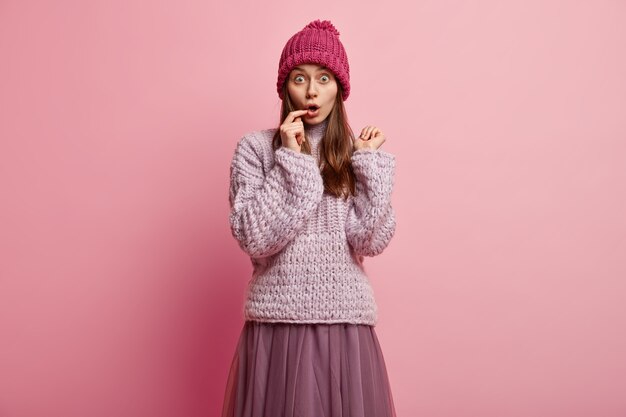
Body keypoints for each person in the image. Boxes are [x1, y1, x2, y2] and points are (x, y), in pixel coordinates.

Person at [221, 19, 397, 417]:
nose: (312, 90)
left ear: (340, 88)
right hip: (275, 326)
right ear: (285, 86)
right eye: (300, 78)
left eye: (324, 78)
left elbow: (370, 240)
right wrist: (292, 160)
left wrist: (370, 165)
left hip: (345, 325)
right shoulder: (255, 149)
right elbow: (255, 237)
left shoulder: (354, 153)